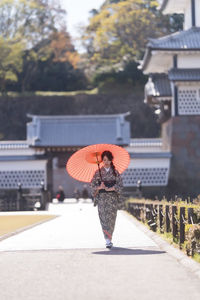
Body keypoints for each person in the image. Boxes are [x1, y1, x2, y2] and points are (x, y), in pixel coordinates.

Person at [90, 150, 123, 249]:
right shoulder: (98, 173)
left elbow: (120, 185)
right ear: (102, 160)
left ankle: (110, 237)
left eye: (108, 160)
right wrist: (99, 187)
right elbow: (92, 185)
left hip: (112, 199)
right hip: (102, 199)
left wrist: (113, 188)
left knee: (111, 219)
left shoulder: (115, 172)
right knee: (103, 218)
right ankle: (107, 240)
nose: (106, 162)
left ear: (111, 160)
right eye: (104, 160)